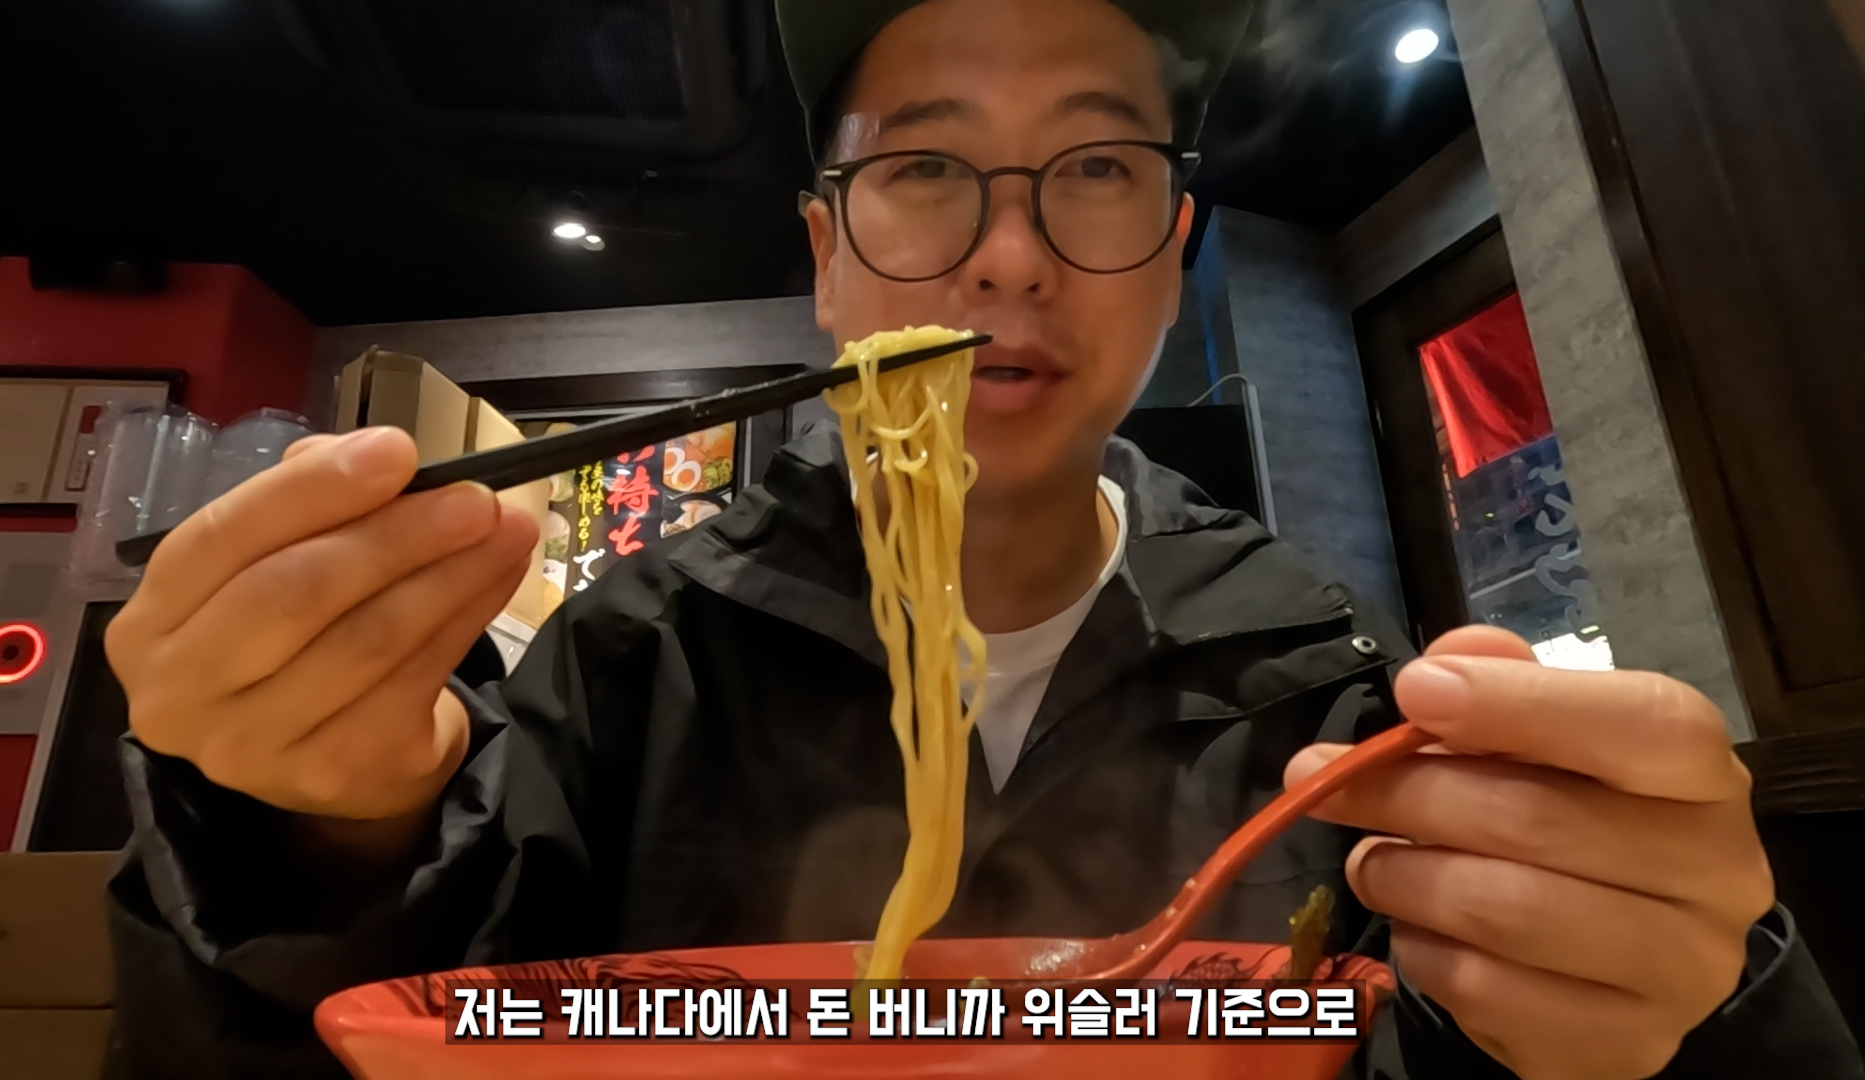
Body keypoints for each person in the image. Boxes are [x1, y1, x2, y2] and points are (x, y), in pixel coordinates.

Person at [100, 1, 1861, 1077]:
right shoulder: (633, 656)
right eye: (927, 171)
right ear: (826, 259)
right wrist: (300, 839)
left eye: (1094, 170)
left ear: (1175, 257)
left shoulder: (1328, 691)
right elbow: (403, 1022)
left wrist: (1686, 1014)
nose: (1009, 255)